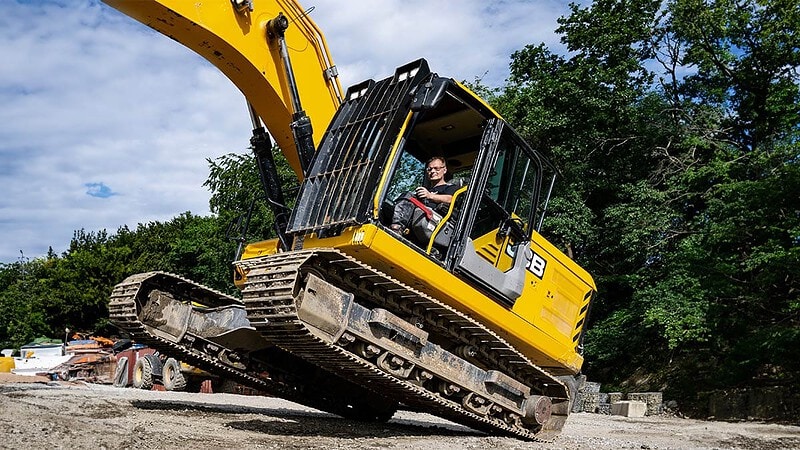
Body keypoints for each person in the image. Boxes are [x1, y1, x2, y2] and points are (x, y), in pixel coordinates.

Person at [390, 157, 459, 245]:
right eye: (430, 169)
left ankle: (397, 228)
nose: (433, 171)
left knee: (408, 196)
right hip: (416, 217)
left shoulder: (450, 188)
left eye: (437, 168)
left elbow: (450, 199)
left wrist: (429, 195)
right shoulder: (426, 190)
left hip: (432, 221)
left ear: (444, 170)